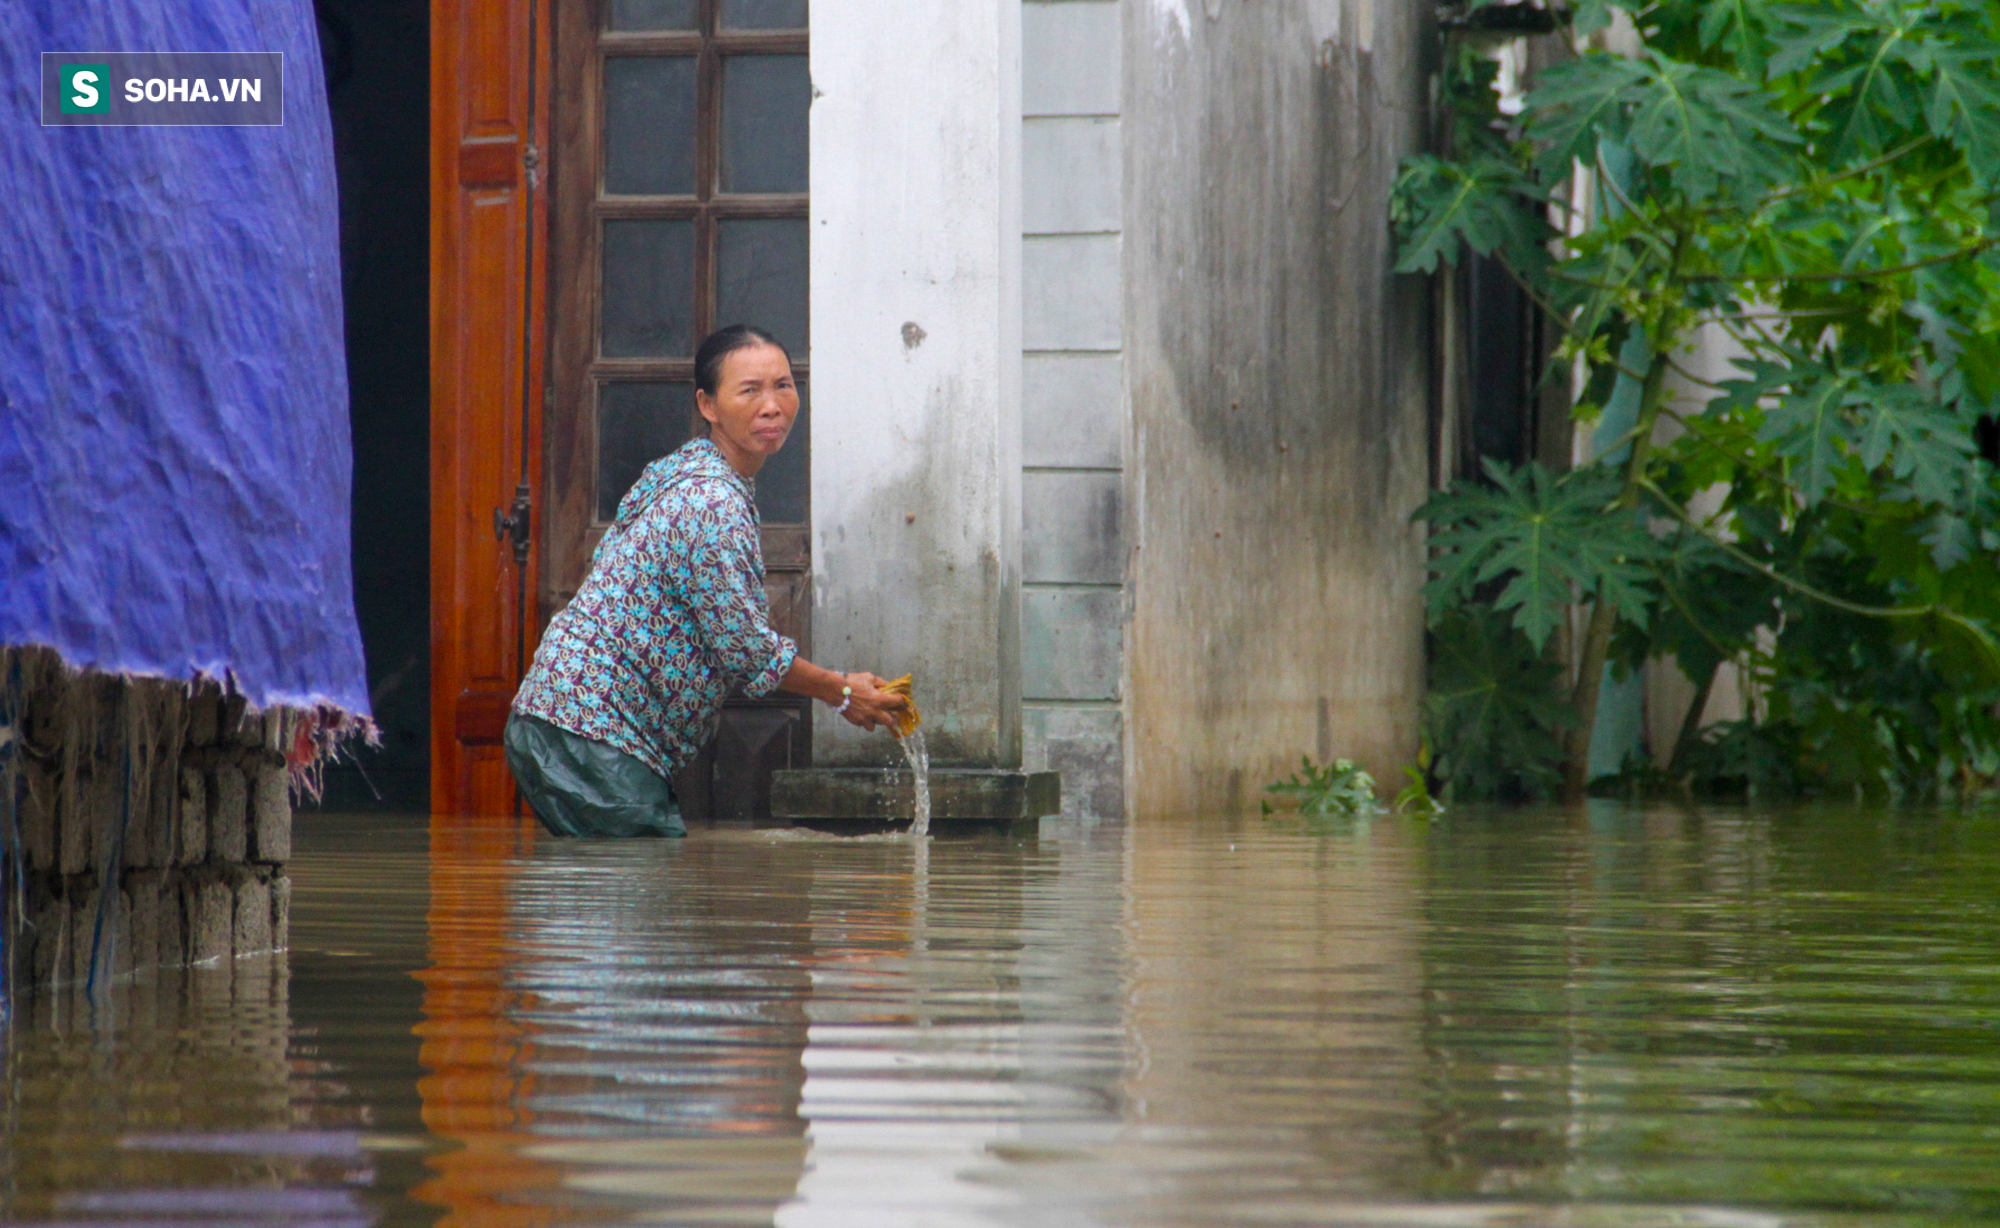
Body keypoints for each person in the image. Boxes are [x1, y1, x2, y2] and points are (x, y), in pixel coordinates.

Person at [505, 324, 907, 837]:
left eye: (783, 385)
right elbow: (745, 649)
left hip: (563, 724)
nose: (772, 405)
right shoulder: (710, 500)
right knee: (631, 895)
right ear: (708, 405)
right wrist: (843, 693)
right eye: (750, 390)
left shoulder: (690, 470)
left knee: (615, 900)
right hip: (591, 733)